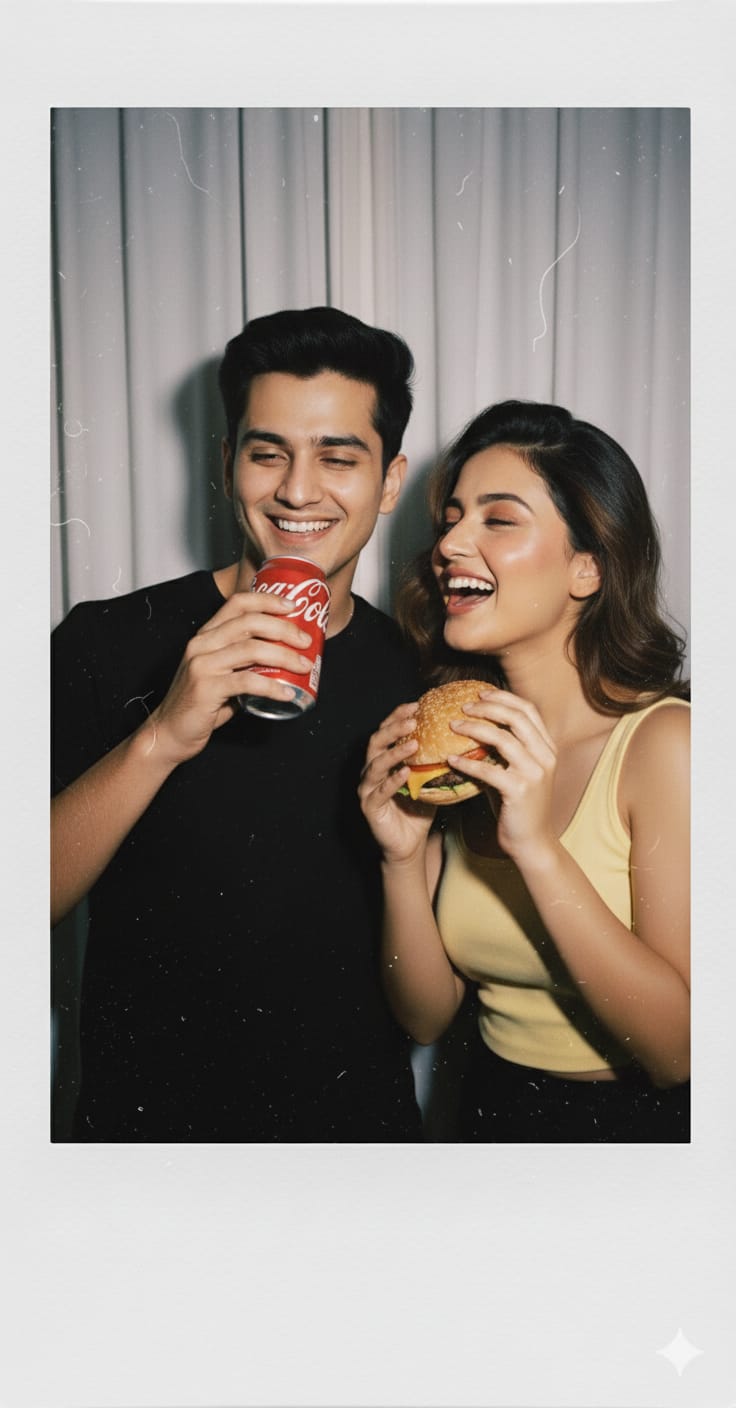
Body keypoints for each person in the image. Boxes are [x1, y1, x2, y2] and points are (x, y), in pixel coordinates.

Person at [51, 305, 424, 1142]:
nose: (298, 489)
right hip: (147, 1151)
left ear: (390, 480)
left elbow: (428, 992)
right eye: (268, 453)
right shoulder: (106, 641)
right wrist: (161, 736)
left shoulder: (417, 673)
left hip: (353, 1147)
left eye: (339, 457)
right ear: (226, 464)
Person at [359, 399, 690, 1142]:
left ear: (587, 568)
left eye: (497, 519)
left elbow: (679, 1053)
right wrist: (400, 859)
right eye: (450, 518)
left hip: (637, 1138)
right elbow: (426, 1014)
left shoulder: (667, 744)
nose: (448, 543)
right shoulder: (462, 744)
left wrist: (536, 846)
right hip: (488, 1112)